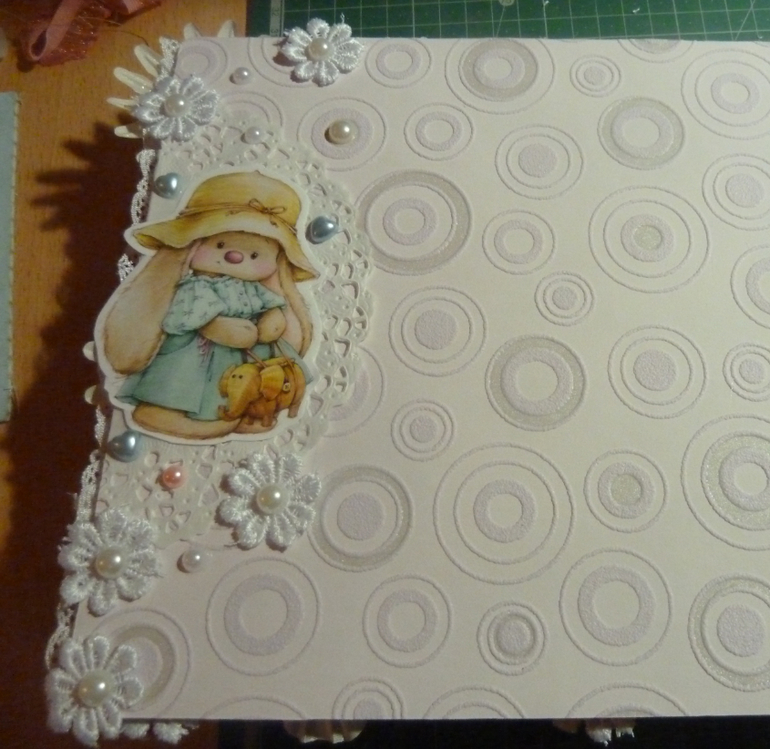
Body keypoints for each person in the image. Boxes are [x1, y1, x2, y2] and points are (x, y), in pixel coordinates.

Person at [99, 171, 317, 440]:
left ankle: (243, 411)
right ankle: (167, 411)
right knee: (188, 377)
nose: (234, 256)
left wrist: (273, 320)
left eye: (254, 254)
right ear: (192, 243)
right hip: (196, 351)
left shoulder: (255, 289)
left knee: (250, 379)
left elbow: (272, 306)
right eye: (220, 244)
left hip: (247, 353)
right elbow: (188, 316)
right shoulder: (196, 286)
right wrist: (217, 326)